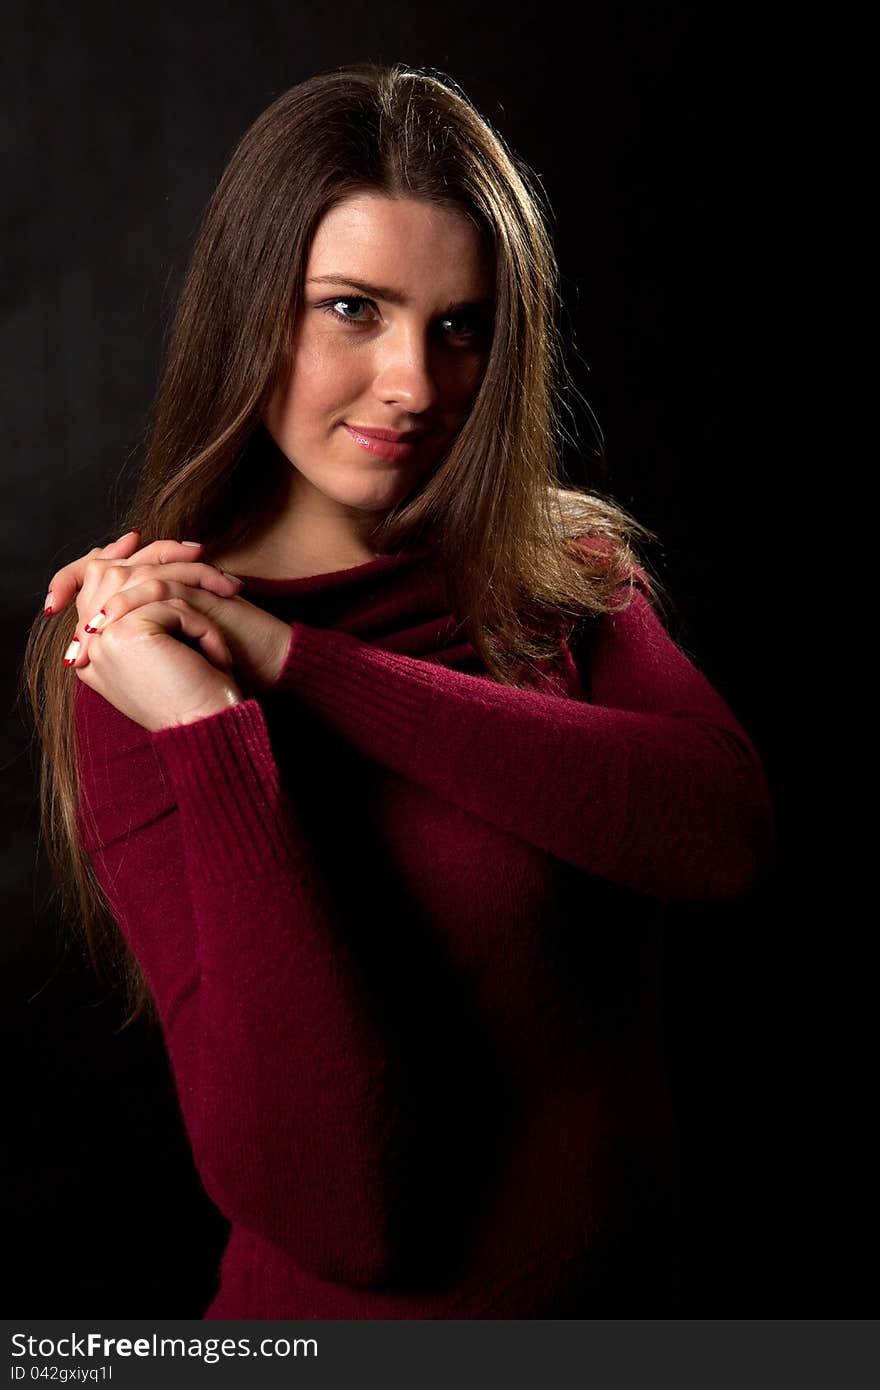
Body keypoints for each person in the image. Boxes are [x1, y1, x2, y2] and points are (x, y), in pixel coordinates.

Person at [21, 62, 775, 1317]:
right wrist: (218, 729)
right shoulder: (142, 662)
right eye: (353, 309)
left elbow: (724, 836)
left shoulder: (563, 574)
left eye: (459, 325)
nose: (416, 386)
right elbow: (338, 1210)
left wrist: (301, 662)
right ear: (251, 307)